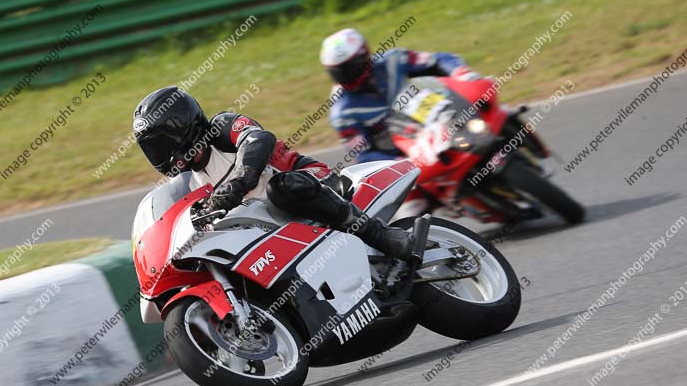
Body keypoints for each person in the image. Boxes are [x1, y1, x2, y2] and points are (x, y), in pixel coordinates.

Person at [132, 86, 418, 260]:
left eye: (161, 144)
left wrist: (241, 178)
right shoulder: (189, 181)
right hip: (270, 223)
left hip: (308, 180)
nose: (160, 154)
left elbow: (259, 139)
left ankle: (380, 236)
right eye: (152, 148)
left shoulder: (221, 128)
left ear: (182, 127)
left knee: (281, 187)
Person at [320, 28, 480, 163]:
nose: (345, 76)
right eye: (338, 72)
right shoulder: (342, 114)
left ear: (364, 57)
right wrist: (400, 165)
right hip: (409, 160)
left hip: (445, 124)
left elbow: (438, 60)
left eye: (349, 68)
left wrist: (462, 73)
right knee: (414, 202)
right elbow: (363, 154)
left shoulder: (395, 59)